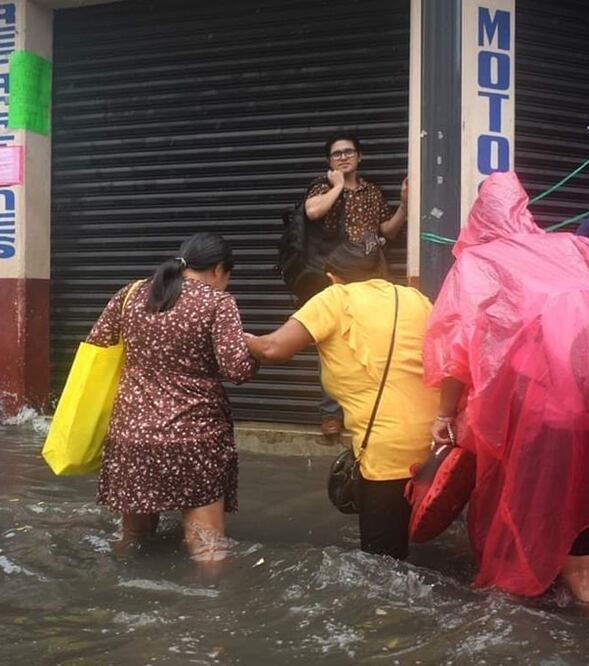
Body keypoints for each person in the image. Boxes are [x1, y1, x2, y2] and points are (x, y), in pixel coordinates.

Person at [424, 171, 589, 602]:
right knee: (581, 561)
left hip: (538, 424)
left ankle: (522, 633)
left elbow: (455, 352)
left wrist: (444, 415)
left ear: (478, 218)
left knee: (519, 539)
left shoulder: (479, 263)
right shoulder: (573, 248)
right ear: (523, 212)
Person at [246, 240, 438, 560]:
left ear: (333, 277)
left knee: (382, 566)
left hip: (387, 453)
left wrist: (231, 335)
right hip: (435, 448)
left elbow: (272, 348)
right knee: (414, 547)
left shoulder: (335, 298)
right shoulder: (415, 298)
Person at [87, 232, 257, 565]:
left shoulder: (131, 293)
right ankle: (210, 610)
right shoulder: (217, 302)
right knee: (206, 543)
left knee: (133, 539)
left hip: (131, 435)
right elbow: (236, 369)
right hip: (195, 439)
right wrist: (255, 348)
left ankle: (116, 599)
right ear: (220, 268)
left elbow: (98, 344)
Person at [302, 133, 409, 442]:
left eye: (349, 152)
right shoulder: (322, 188)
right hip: (335, 273)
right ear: (329, 162)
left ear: (360, 157)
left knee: (374, 337)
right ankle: (331, 413)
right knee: (332, 339)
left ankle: (370, 406)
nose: (343, 157)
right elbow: (313, 212)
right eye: (336, 154)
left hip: (372, 270)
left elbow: (386, 231)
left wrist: (403, 206)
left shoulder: (373, 192)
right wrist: (337, 186)